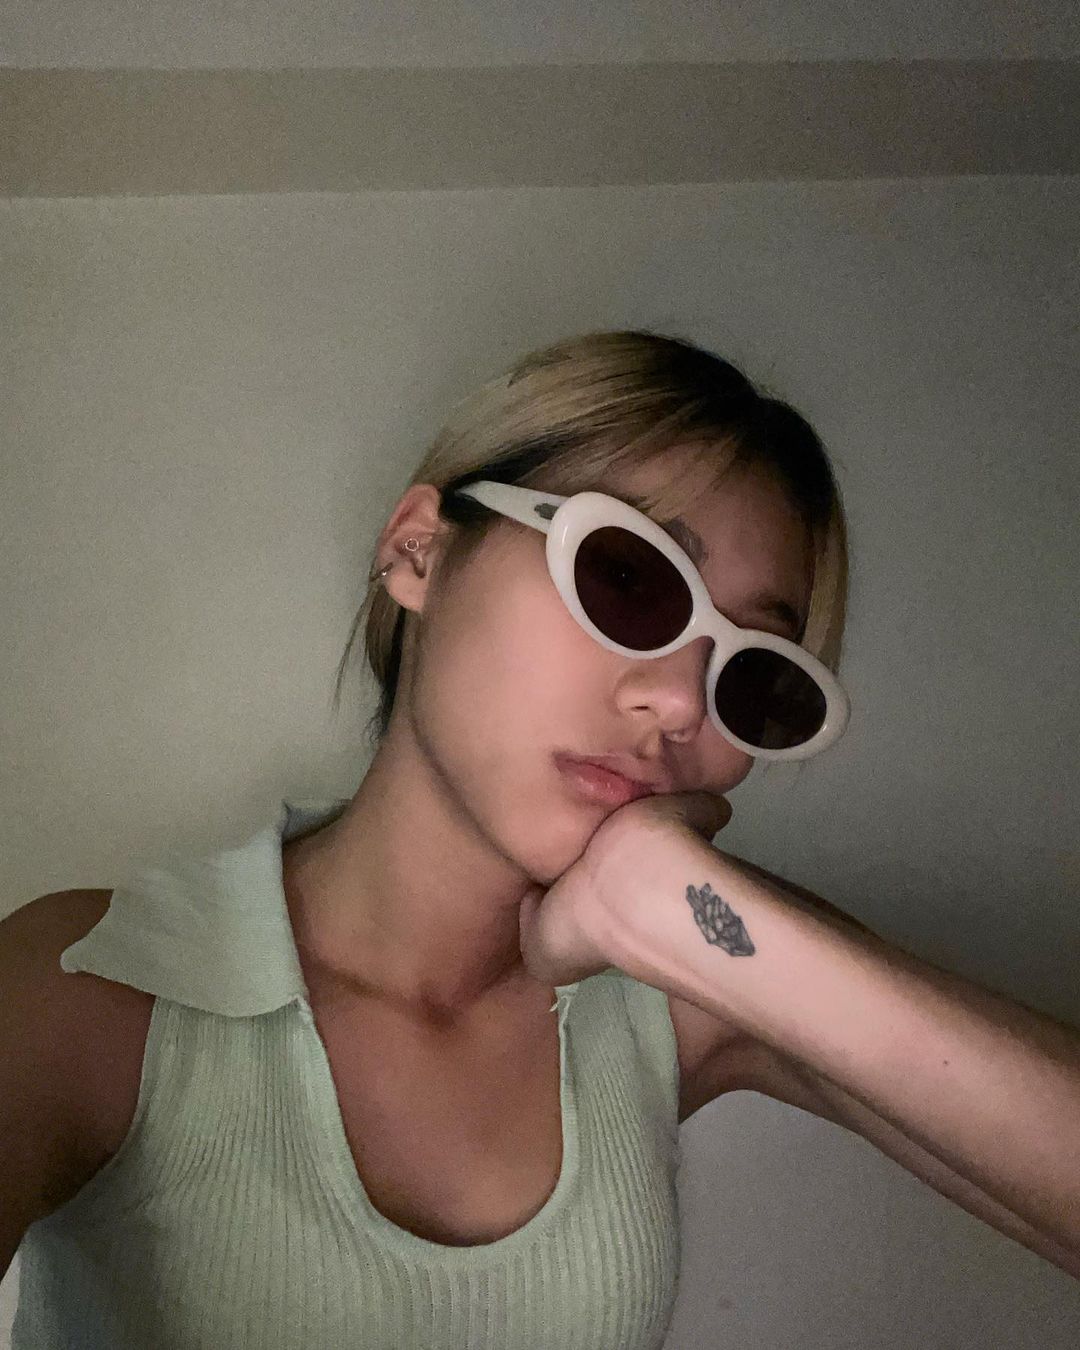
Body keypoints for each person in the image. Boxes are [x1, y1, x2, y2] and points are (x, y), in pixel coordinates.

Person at [3, 330, 1077, 1350]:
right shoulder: (92, 993)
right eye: (628, 578)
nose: (679, 702)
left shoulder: (674, 999)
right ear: (419, 551)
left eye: (754, 672)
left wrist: (691, 913)